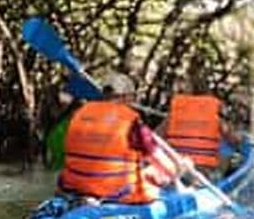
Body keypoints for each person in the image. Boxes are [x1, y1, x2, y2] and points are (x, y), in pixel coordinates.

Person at [58, 71, 188, 203]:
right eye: (132, 97)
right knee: (166, 170)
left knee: (146, 170)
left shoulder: (79, 113)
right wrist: (177, 171)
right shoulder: (130, 119)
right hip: (116, 191)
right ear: (126, 97)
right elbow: (158, 159)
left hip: (74, 187)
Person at [162, 88, 241, 180]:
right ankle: (220, 178)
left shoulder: (172, 117)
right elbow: (235, 141)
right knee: (227, 148)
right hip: (202, 173)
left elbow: (154, 137)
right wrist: (238, 138)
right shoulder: (217, 120)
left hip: (174, 169)